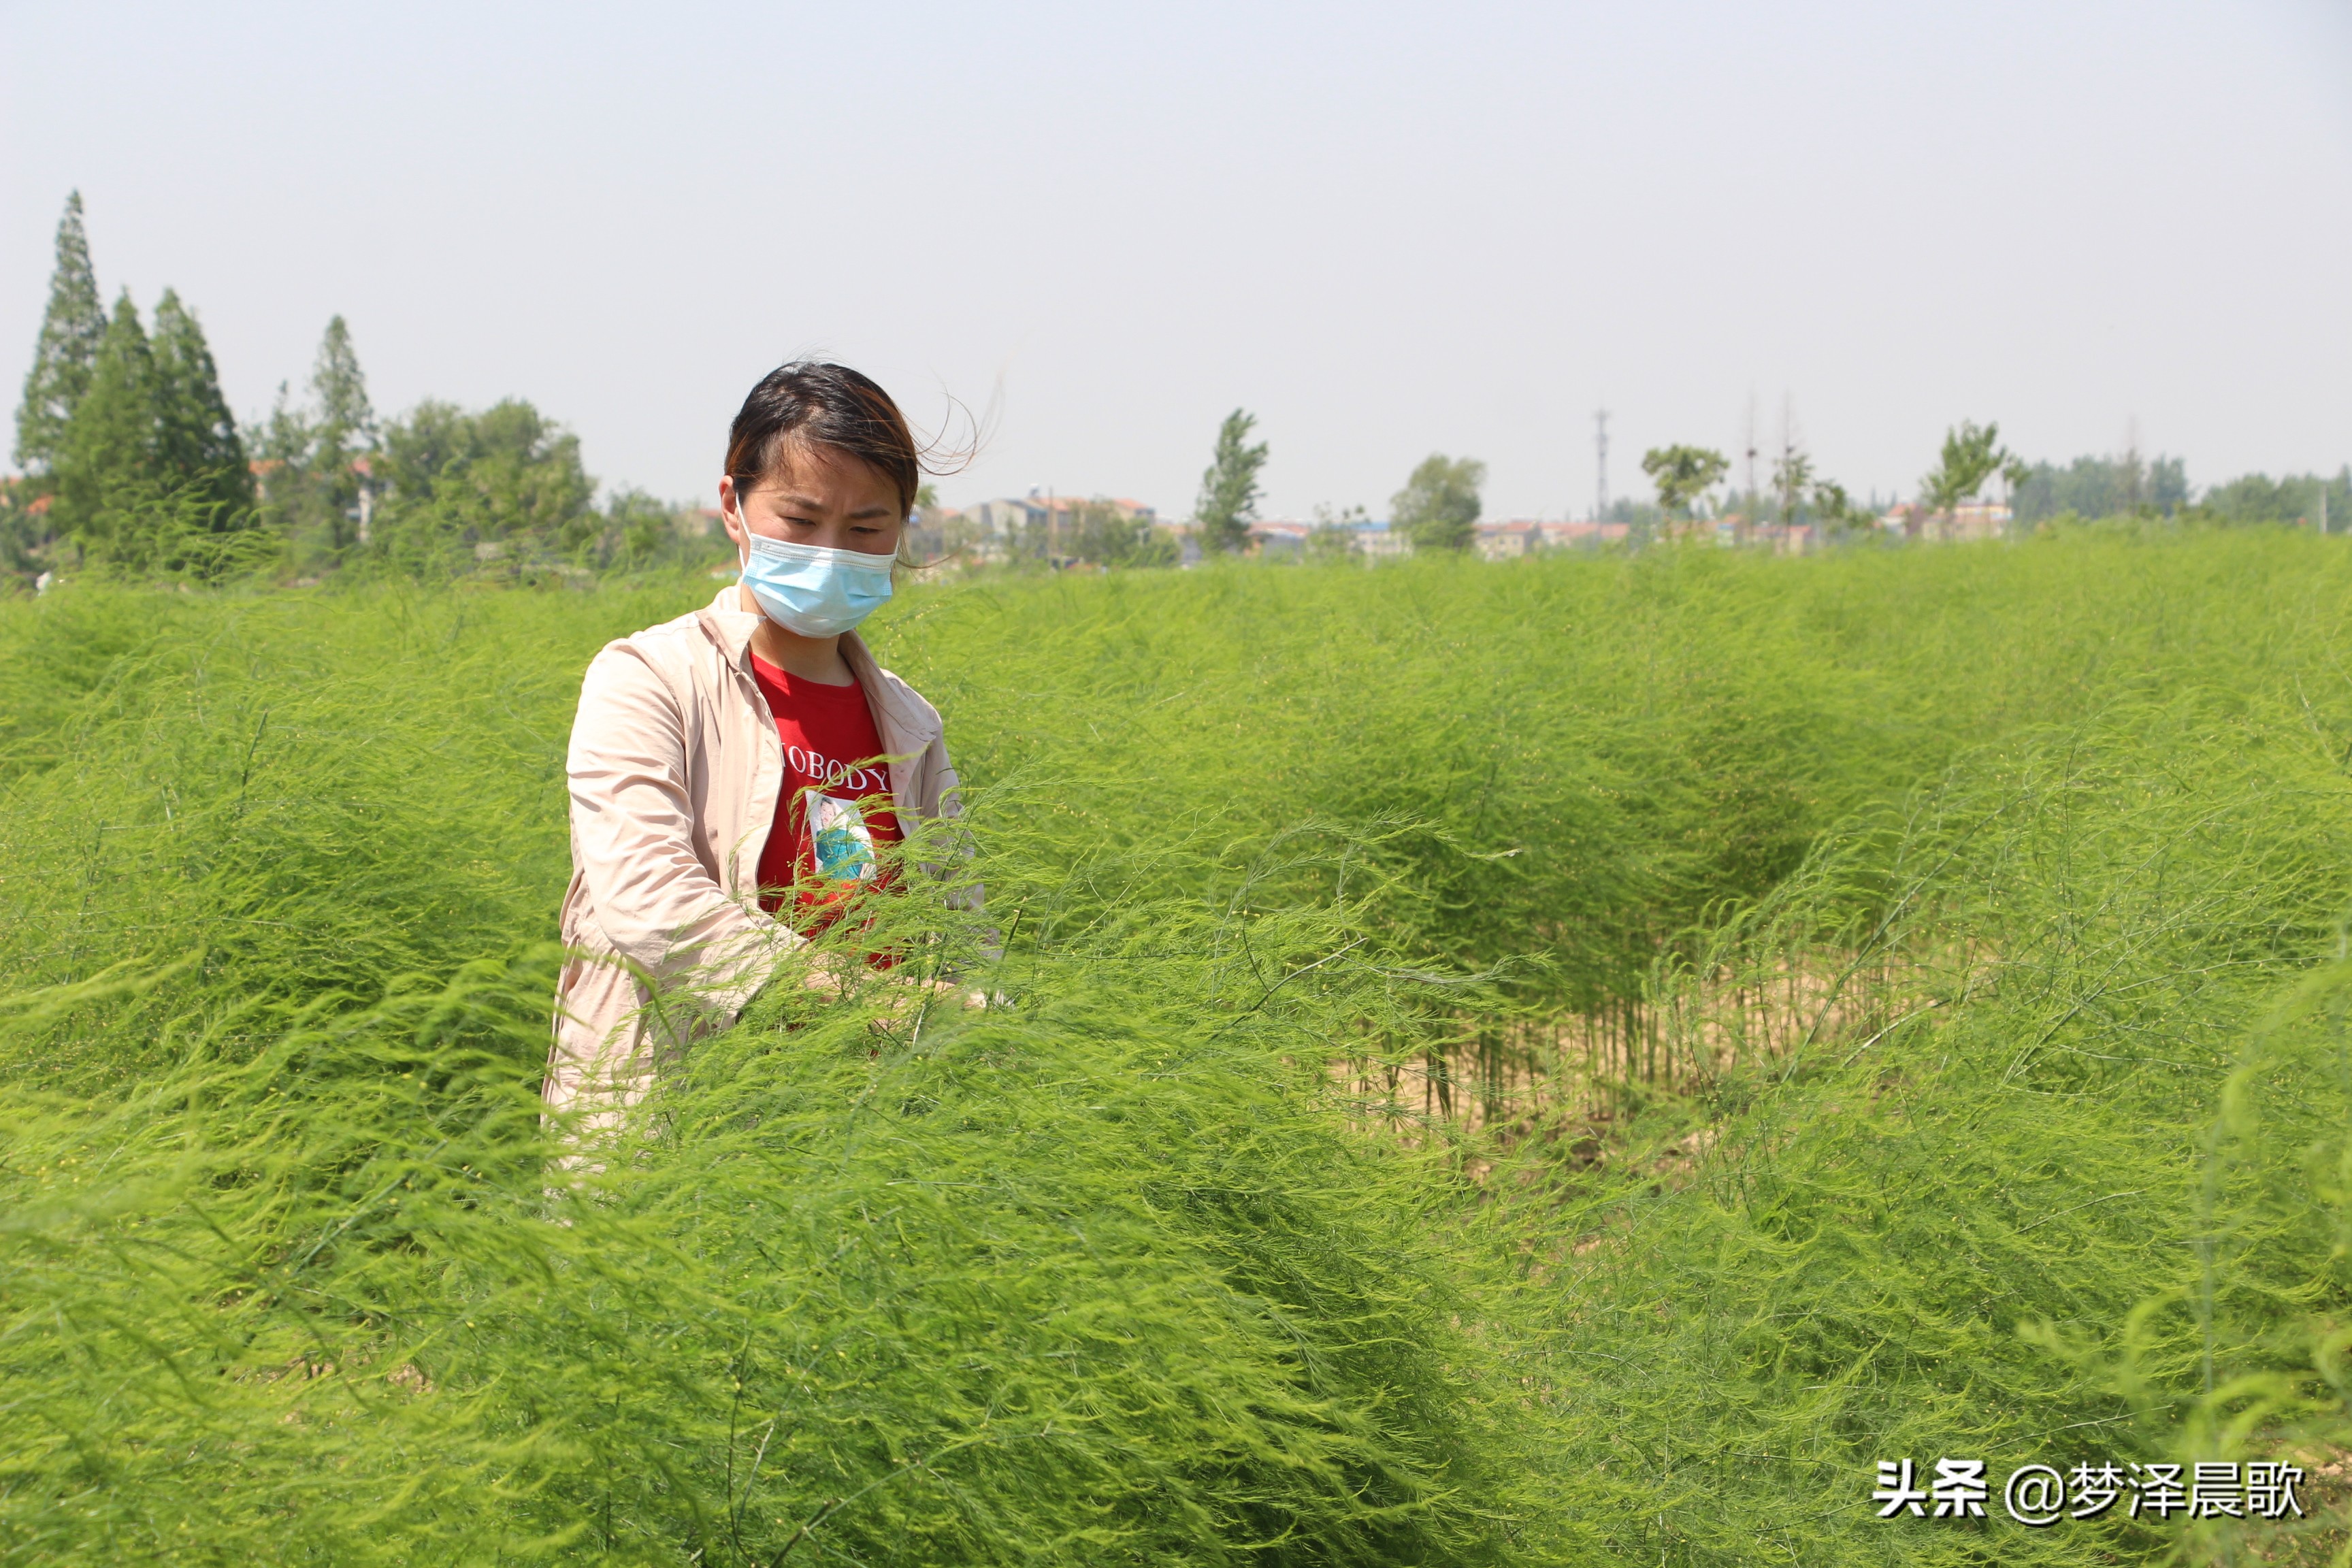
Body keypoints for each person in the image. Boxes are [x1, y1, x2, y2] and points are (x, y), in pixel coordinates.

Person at [545, 361, 970, 1138]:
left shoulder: (908, 722)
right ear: (733, 508)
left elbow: (961, 925)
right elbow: (649, 901)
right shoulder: (649, 680)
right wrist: (874, 1002)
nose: (831, 552)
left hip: (865, 1142)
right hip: (686, 1129)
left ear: (902, 531)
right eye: (801, 522)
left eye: (867, 528)